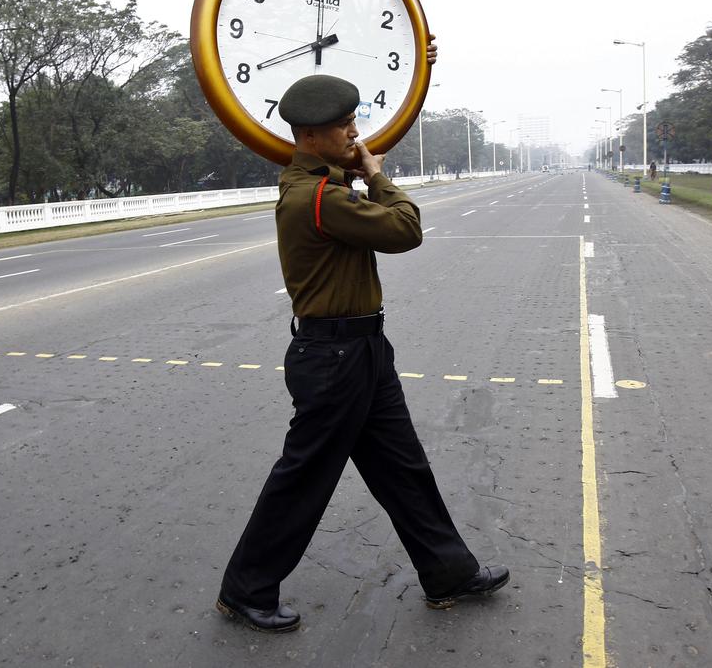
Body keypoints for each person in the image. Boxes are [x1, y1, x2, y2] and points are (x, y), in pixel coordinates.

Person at [216, 65, 509, 634]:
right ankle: (245, 589)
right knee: (303, 479)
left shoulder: (321, 185)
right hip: (334, 360)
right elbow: (405, 229)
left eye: (353, 123)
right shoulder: (319, 198)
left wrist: (350, 168)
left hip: (363, 350)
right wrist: (377, 176)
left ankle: (448, 571)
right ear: (309, 136)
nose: (356, 134)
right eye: (345, 126)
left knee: (404, 468)